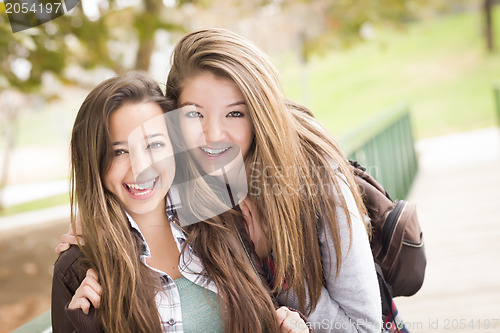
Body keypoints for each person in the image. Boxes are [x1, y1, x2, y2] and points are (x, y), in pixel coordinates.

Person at [51, 72, 309, 333]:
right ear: (93, 163)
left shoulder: (223, 221)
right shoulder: (77, 269)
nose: (141, 168)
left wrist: (291, 326)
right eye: (119, 152)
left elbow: (268, 314)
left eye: (154, 145)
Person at [164, 28, 382, 332]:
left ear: (259, 115)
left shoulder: (317, 177)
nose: (212, 135)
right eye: (194, 114)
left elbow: (364, 328)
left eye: (235, 114)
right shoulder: (181, 174)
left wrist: (281, 272)